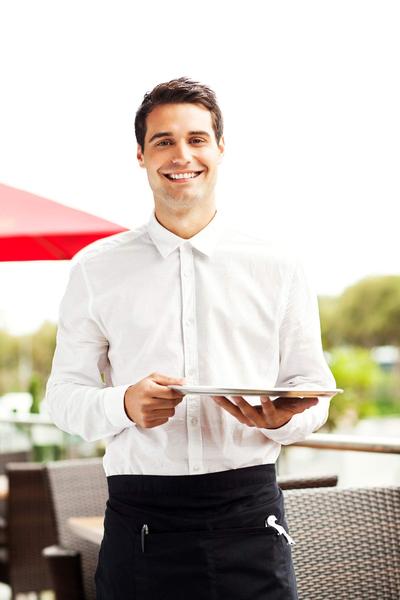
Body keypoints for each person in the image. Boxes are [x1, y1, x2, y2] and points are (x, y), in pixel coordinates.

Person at [46, 77, 336, 600]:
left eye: (197, 139)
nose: (182, 155)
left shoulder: (278, 265)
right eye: (164, 141)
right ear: (141, 154)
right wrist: (125, 404)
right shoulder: (94, 269)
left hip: (250, 514)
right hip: (140, 521)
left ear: (220, 149)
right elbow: (63, 401)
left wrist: (287, 417)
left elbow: (315, 391)